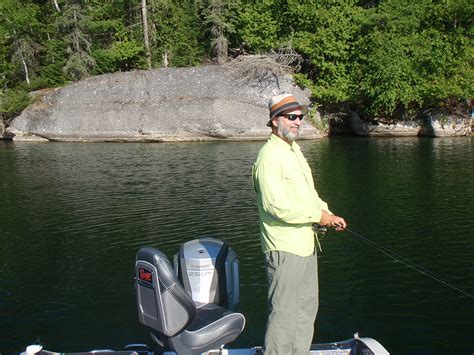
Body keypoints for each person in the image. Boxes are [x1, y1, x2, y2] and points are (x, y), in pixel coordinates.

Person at [252, 94, 347, 354]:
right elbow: (276, 206)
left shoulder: (293, 150)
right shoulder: (269, 157)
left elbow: (308, 194)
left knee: (306, 310)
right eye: (291, 117)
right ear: (274, 121)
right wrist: (318, 217)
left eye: (300, 117)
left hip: (306, 246)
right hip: (284, 250)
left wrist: (327, 213)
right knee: (284, 316)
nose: (298, 122)